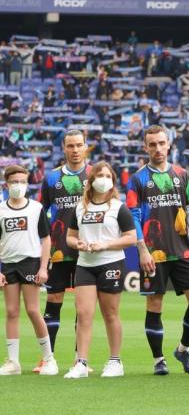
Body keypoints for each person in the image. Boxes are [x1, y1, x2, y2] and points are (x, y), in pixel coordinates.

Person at [126, 124, 189, 376]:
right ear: (145, 147)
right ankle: (158, 359)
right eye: (152, 144)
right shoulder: (137, 179)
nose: (158, 148)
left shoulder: (182, 174)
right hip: (153, 251)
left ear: (169, 144)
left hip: (182, 249)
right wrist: (142, 250)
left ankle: (182, 349)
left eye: (161, 143)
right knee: (155, 303)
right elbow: (134, 216)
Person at [63, 162, 137, 379]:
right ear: (91, 180)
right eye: (99, 175)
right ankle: (81, 363)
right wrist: (77, 244)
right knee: (84, 314)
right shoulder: (80, 207)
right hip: (85, 264)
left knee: (110, 313)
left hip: (111, 263)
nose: (103, 179)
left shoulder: (118, 207)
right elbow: (70, 236)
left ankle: (115, 361)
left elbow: (131, 237)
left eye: (107, 176)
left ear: (113, 181)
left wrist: (105, 245)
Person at [38, 129, 91, 372]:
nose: (75, 150)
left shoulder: (95, 175)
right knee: (53, 300)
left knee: (83, 306)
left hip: (87, 251)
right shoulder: (51, 178)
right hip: (59, 250)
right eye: (70, 146)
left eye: (79, 145)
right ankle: (48, 358)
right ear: (64, 147)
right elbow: (40, 213)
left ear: (86, 146)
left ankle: (79, 360)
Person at [0, 165, 58, 376]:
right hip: (8, 264)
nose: (18, 186)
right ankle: (13, 362)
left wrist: (43, 267)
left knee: (33, 310)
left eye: (22, 182)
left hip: (31, 263)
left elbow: (46, 239)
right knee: (11, 311)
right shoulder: (1, 209)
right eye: (14, 182)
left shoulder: (36, 208)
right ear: (6, 184)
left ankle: (49, 359)